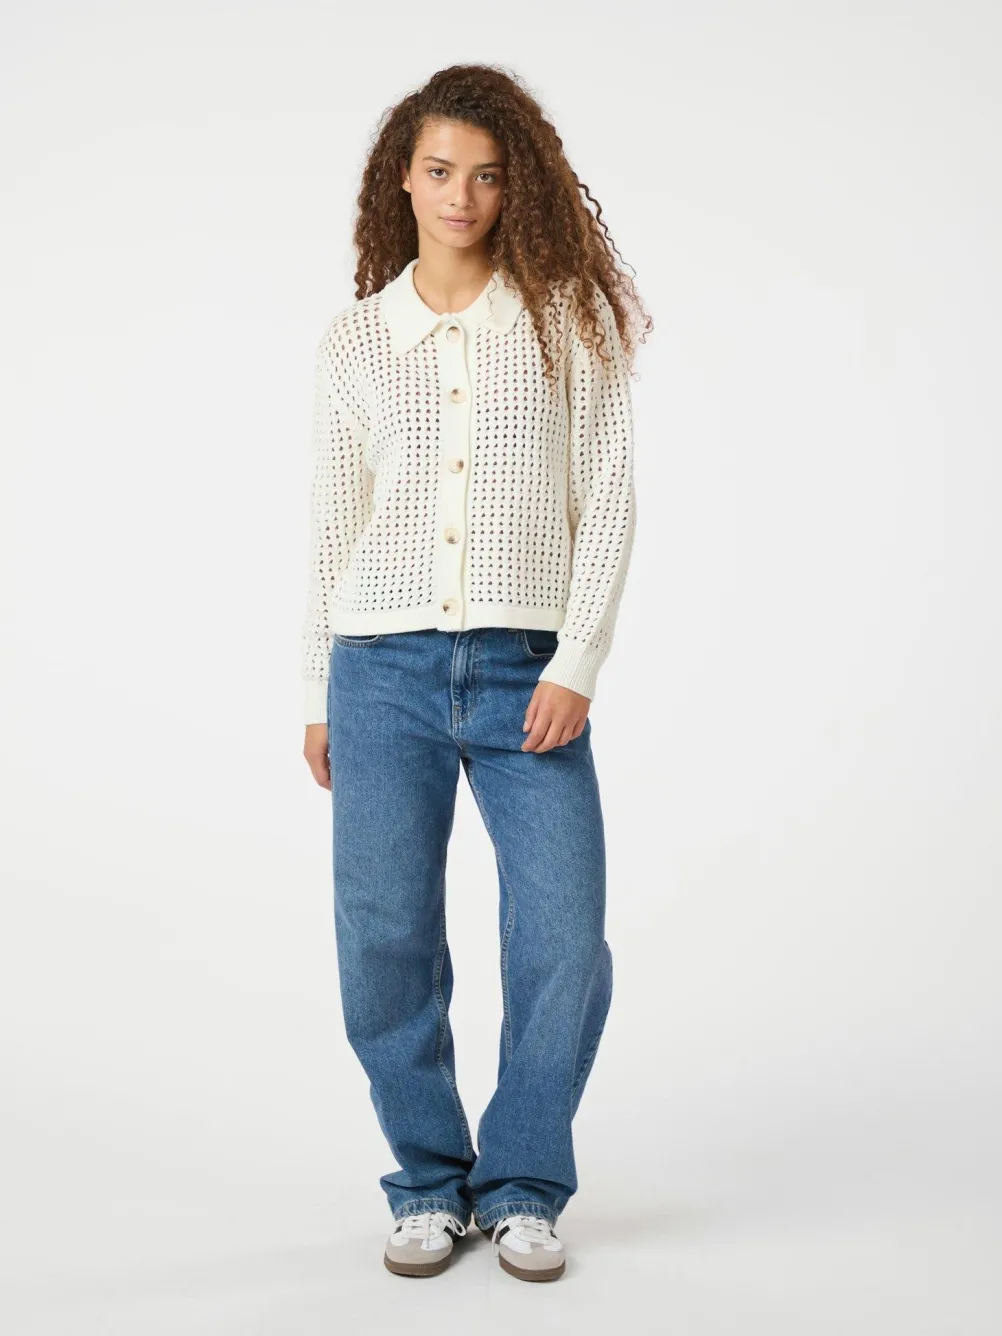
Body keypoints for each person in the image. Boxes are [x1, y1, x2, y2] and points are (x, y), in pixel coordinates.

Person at [301, 62, 650, 1282]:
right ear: (401, 179)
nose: (462, 196)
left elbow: (608, 494)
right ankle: (427, 1180)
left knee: (564, 933)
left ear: (518, 188)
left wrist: (578, 658)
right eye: (441, 171)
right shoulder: (357, 340)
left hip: (524, 673)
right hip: (377, 670)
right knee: (383, 938)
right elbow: (332, 523)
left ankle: (523, 1180)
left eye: (488, 176)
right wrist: (314, 690)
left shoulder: (565, 320)